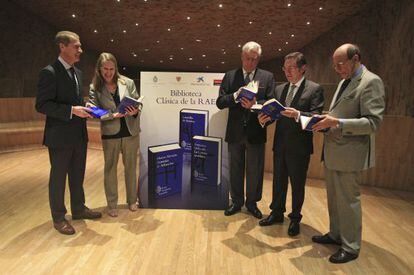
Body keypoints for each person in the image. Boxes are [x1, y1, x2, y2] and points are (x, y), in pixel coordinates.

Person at [311, 44, 385, 263]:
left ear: (356, 59)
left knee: (348, 201)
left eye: (340, 64)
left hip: (351, 153)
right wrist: (326, 119)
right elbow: (338, 112)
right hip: (334, 151)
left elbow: (373, 122)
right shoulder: (345, 81)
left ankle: (351, 246)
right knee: (334, 199)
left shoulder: (372, 82)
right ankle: (336, 234)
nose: (337, 69)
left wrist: (339, 123)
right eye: (334, 65)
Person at [35, 31, 101, 235]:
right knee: (58, 178)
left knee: (77, 175)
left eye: (80, 47)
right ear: (62, 47)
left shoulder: (77, 72)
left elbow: (73, 99)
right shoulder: (49, 72)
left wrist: (84, 105)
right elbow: (42, 105)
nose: (80, 50)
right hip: (60, 137)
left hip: (78, 135)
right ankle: (59, 217)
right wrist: (72, 110)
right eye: (76, 46)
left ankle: (79, 209)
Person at [258, 52, 324, 236]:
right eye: (284, 68)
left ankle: (295, 218)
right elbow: (275, 114)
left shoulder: (314, 89)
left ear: (303, 68)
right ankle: (277, 213)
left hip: (300, 147)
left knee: (297, 184)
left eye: (291, 68)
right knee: (278, 182)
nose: (287, 72)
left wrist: (297, 115)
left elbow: (317, 117)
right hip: (280, 144)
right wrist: (264, 120)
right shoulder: (280, 90)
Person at [216, 41, 275, 219]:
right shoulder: (230, 76)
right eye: (248, 59)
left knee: (255, 169)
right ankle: (236, 201)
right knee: (235, 168)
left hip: (256, 131)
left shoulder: (267, 77)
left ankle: (252, 203)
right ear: (242, 57)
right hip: (235, 132)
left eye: (255, 60)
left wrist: (255, 105)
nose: (251, 63)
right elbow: (220, 102)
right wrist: (235, 96)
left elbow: (272, 103)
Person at [88, 52, 141, 217]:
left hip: (130, 132)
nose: (109, 72)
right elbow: (94, 111)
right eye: (105, 69)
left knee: (131, 168)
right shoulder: (94, 88)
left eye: (111, 69)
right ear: (99, 69)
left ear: (115, 68)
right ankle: (112, 204)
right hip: (110, 133)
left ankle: (132, 200)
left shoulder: (128, 82)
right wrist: (113, 115)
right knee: (110, 169)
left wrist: (134, 111)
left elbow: (138, 103)